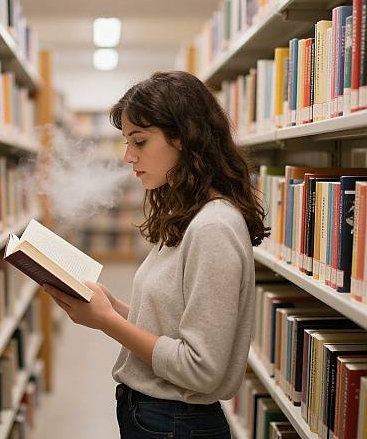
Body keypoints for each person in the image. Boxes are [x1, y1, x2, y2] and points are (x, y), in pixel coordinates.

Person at [44, 70, 269, 438]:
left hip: (175, 423)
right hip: (156, 415)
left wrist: (108, 323)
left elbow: (200, 368)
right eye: (125, 142)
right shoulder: (189, 215)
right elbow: (172, 326)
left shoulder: (212, 228)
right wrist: (111, 306)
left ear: (183, 138)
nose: (128, 157)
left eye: (140, 141)